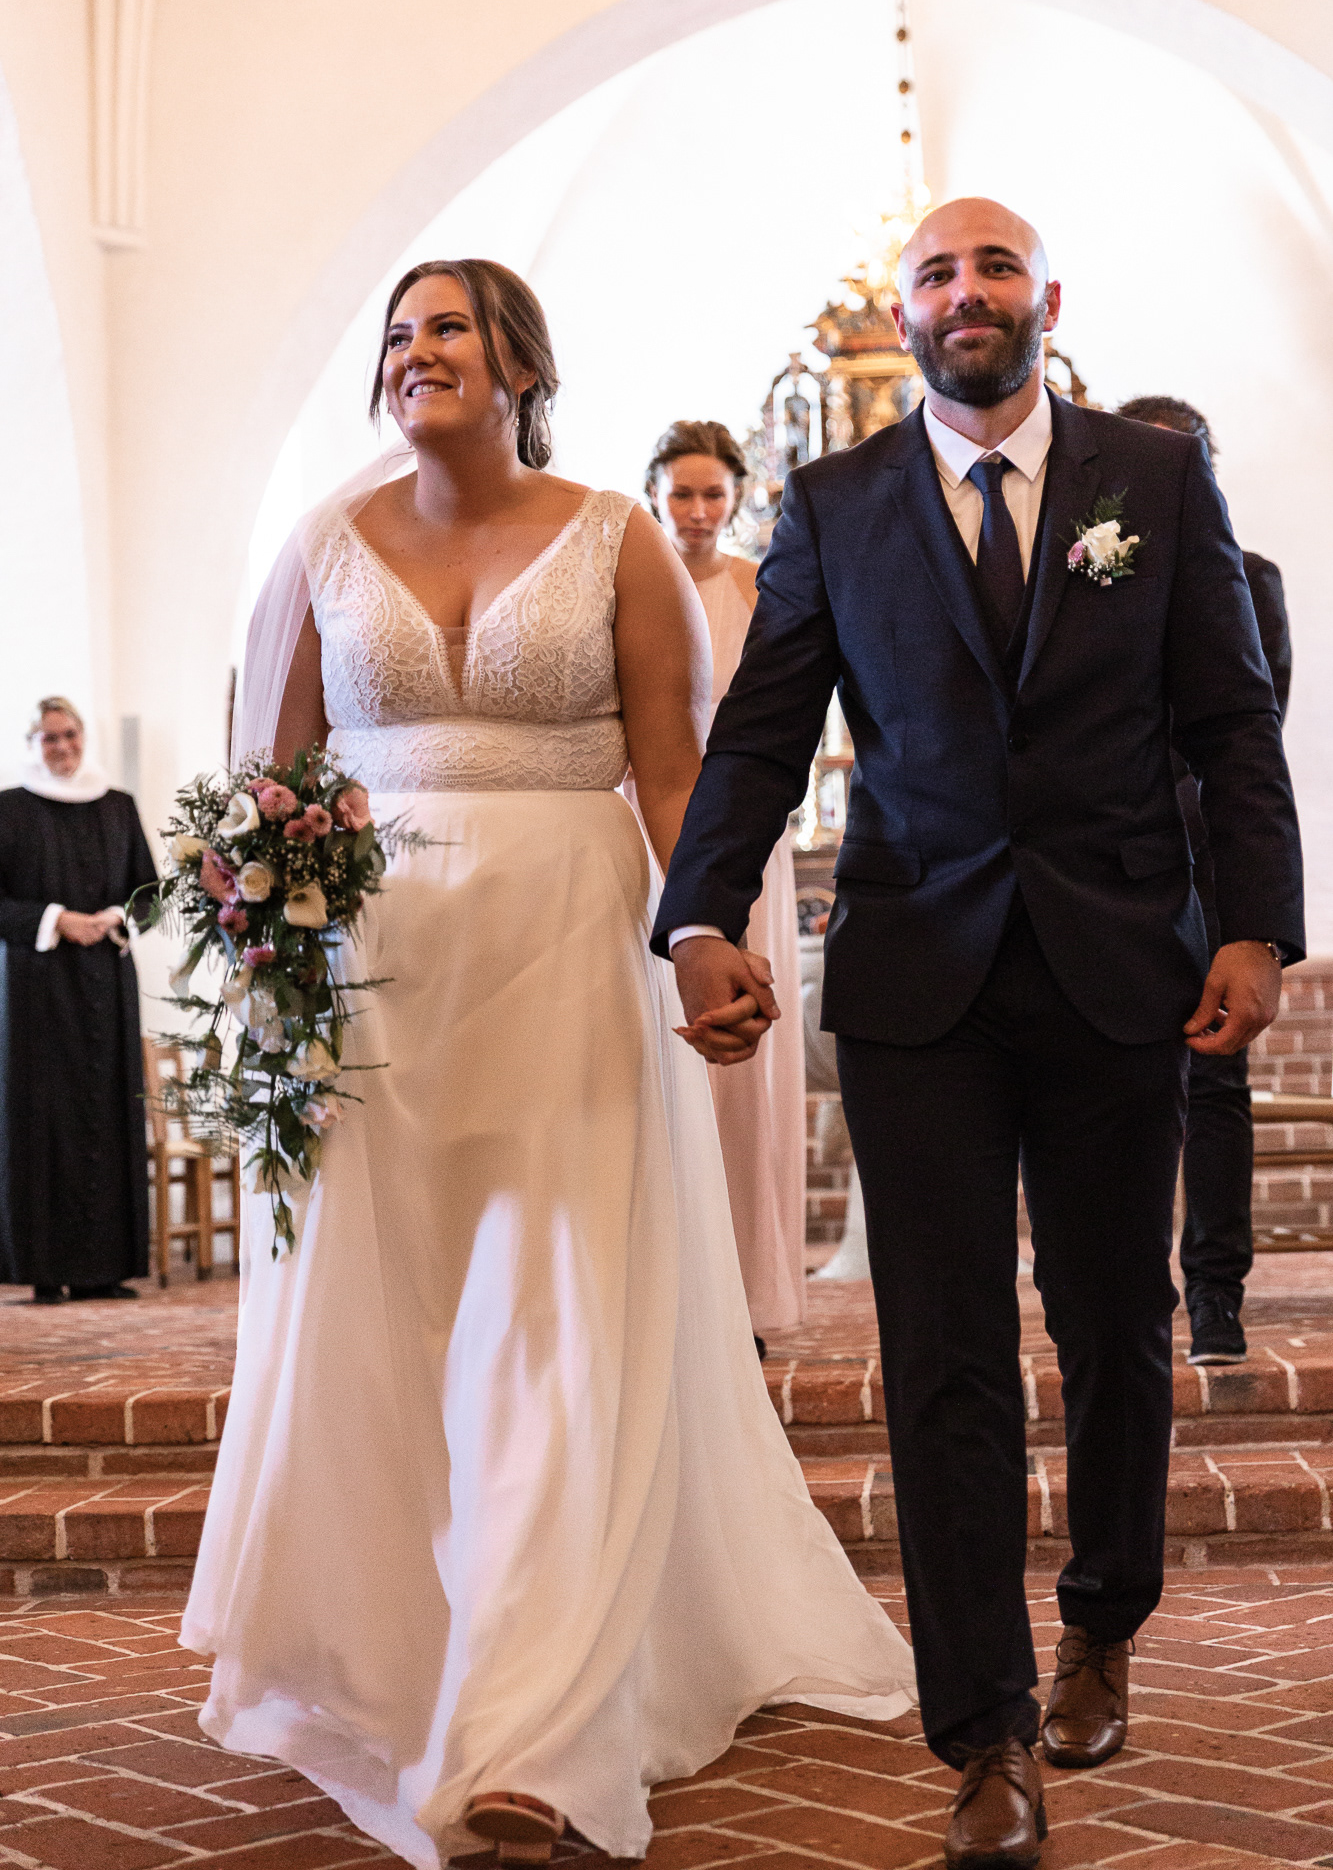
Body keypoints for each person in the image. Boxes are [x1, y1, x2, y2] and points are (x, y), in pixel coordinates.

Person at [182, 259, 914, 1870]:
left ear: (519, 362)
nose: (414, 353)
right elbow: (271, 780)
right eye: (397, 335)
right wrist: (260, 955)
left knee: (550, 1306)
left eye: (446, 328)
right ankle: (393, 1649)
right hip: (370, 981)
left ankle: (527, 1724)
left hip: (564, 957)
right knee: (389, 1312)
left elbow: (675, 777)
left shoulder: (617, 537)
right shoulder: (320, 546)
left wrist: (702, 934)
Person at [654, 198, 1303, 1870]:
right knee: (942, 1355)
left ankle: (1103, 1621)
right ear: (905, 313)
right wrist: (700, 916)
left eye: (993, 267)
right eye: (937, 274)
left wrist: (1253, 923)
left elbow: (1231, 721)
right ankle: (985, 1735)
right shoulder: (832, 504)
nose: (965, 294)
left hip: (1118, 967)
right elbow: (761, 734)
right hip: (915, 980)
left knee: (1114, 1324)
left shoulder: (1152, 481)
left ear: (1044, 299)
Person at [1116, 396, 1292, 1368]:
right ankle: (1122, 1288)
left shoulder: (1251, 580)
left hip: (1208, 866)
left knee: (1216, 1086)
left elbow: (1249, 729)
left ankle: (1215, 1292)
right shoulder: (1082, 572)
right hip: (1101, 868)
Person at [644, 421, 806, 1346]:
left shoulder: (758, 588)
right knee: (659, 1053)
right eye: (682, 493)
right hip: (651, 833)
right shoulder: (635, 584)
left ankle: (743, 1292)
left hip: (746, 845)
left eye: (713, 494)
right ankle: (663, 1286)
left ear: (737, 498)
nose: (698, 511)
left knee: (742, 1071)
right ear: (655, 494)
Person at [0, 697, 155, 1303]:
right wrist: (56, 919)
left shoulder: (118, 806)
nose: (61, 747)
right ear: (32, 744)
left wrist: (114, 916)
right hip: (35, 991)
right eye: (49, 738)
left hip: (106, 982)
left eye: (69, 735)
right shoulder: (9, 809)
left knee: (108, 1110)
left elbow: (149, 892)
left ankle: (102, 1271)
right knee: (43, 1119)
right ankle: (45, 1271)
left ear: (83, 736)